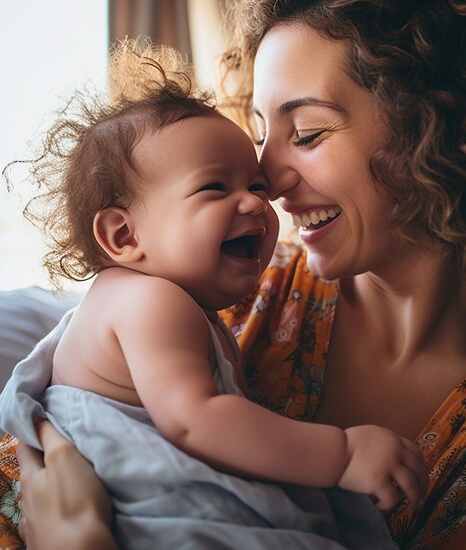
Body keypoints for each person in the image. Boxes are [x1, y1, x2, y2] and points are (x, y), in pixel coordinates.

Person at [5, 0, 466, 549]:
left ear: (440, 130)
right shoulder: (234, 285)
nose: (269, 181)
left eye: (305, 133)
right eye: (261, 135)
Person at [0, 40, 426, 550]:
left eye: (256, 185)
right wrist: (343, 454)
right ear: (123, 236)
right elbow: (193, 420)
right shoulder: (152, 302)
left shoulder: (167, 301)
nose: (260, 197)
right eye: (214, 189)